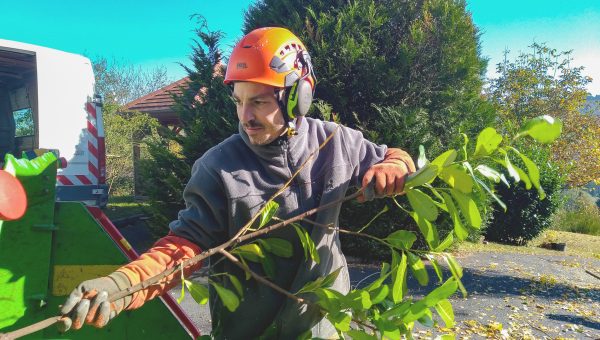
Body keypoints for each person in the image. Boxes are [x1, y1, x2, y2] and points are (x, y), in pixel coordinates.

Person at [58, 27, 415, 339]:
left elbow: (391, 157)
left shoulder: (335, 142)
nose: (245, 116)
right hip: (248, 332)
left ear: (298, 98)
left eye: (258, 102)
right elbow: (183, 247)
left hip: (324, 328)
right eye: (239, 102)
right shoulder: (218, 168)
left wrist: (395, 165)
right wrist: (121, 286)